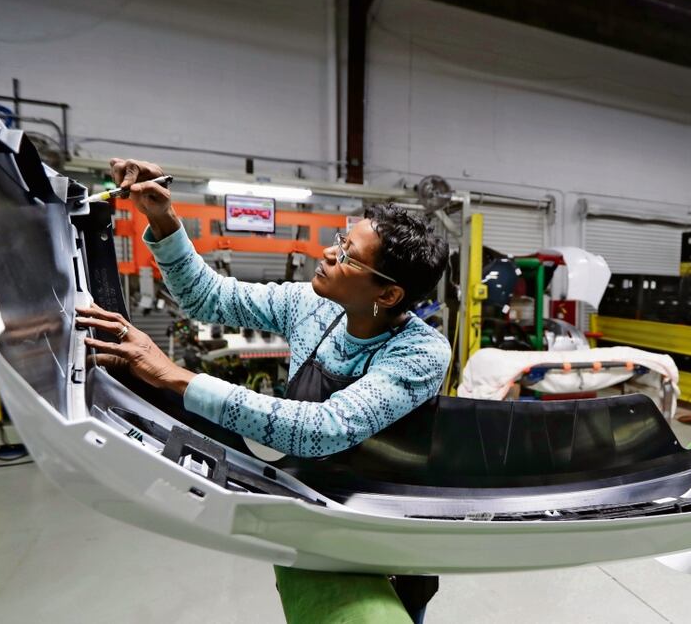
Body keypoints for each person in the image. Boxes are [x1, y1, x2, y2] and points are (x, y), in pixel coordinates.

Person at [75, 158, 451, 623]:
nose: (328, 254)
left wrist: (174, 375)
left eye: (347, 255)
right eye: (339, 241)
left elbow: (324, 429)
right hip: (310, 505)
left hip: (386, 530)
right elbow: (206, 296)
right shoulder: (310, 305)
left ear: (388, 295)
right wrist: (162, 218)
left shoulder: (421, 353)